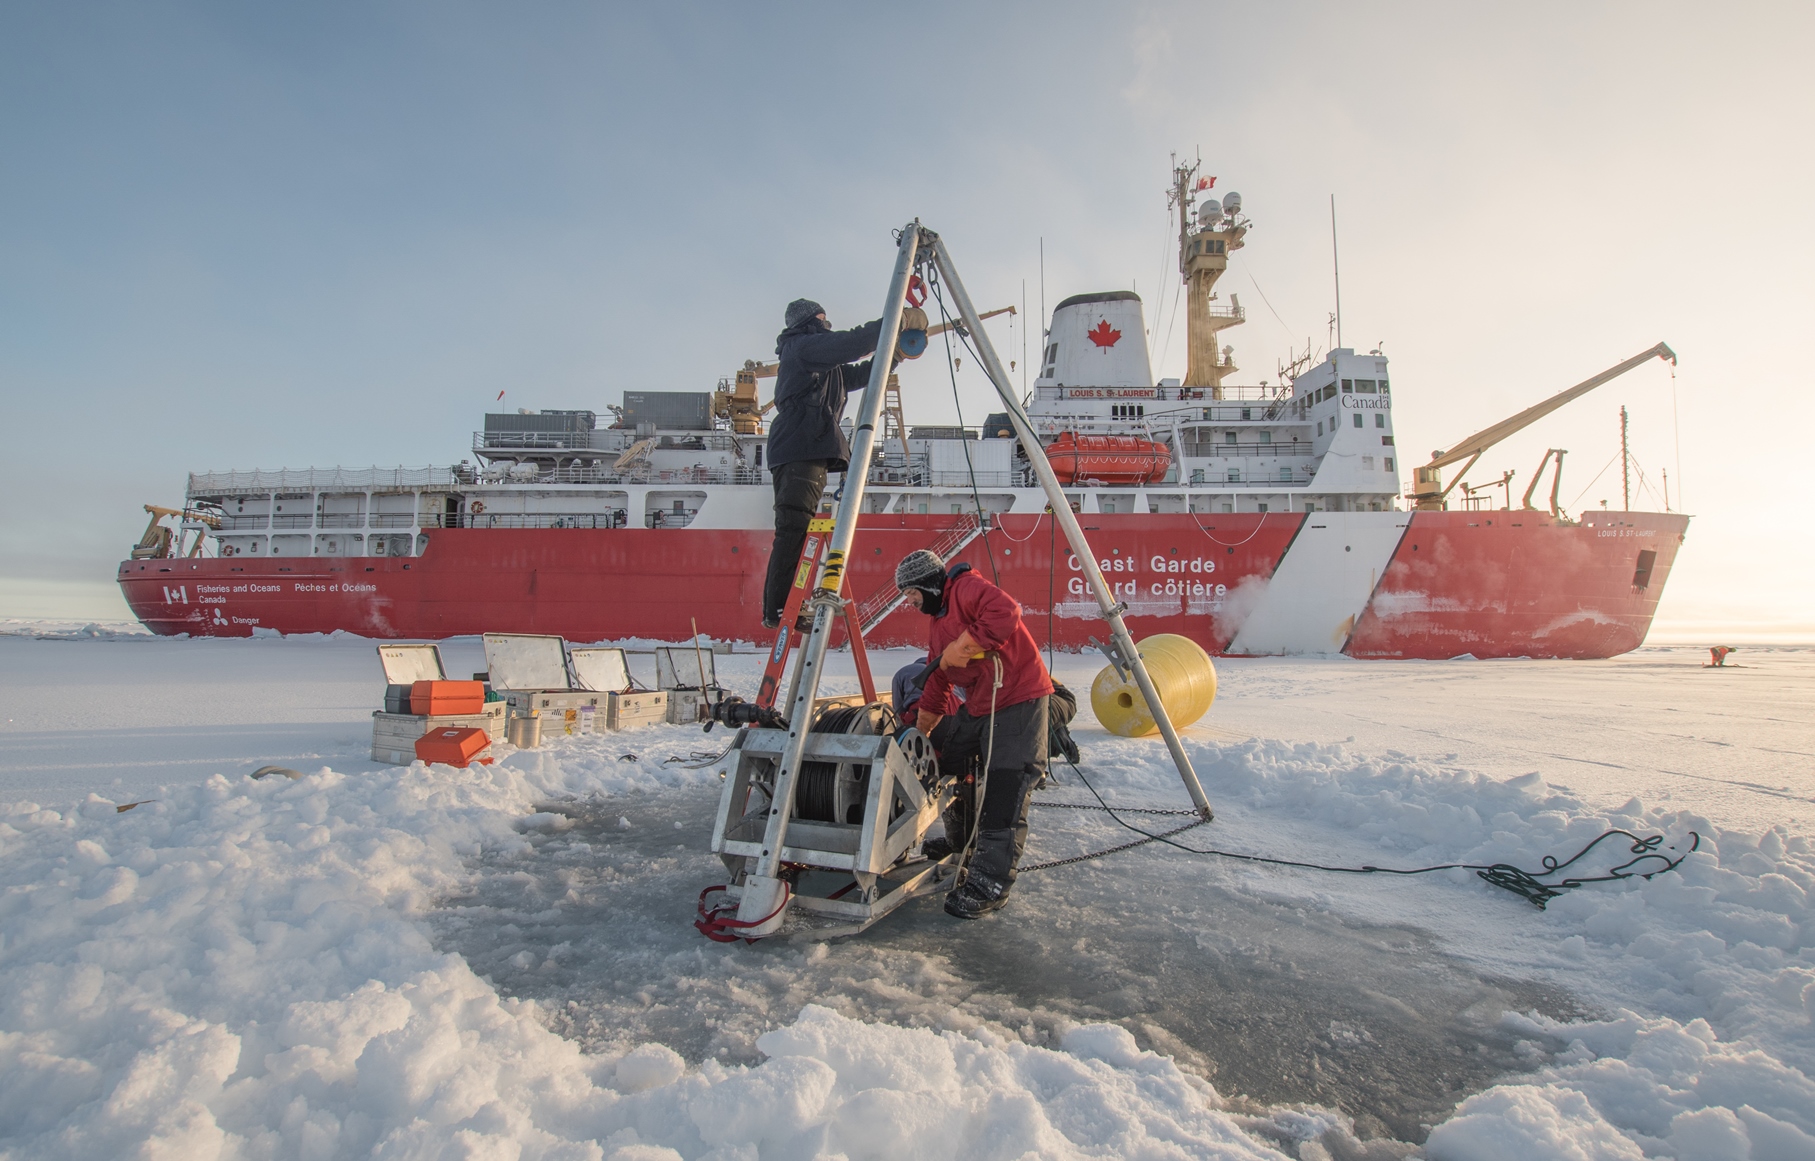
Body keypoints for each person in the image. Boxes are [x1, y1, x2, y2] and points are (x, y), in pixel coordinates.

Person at [894, 548, 1055, 919]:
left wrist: (965, 646)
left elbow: (1006, 613)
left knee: (1005, 791)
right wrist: (920, 732)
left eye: (911, 592)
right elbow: (937, 682)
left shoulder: (966, 588)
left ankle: (989, 884)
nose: (910, 601)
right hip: (981, 705)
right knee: (952, 764)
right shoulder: (938, 623)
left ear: (930, 585)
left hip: (1018, 700)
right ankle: (960, 841)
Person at [762, 299, 895, 629]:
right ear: (810, 322)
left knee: (799, 528)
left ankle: (788, 605)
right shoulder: (802, 347)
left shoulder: (819, 363)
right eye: (823, 320)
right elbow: (850, 344)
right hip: (799, 446)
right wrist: (895, 319)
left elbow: (860, 372)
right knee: (793, 529)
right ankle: (779, 609)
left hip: (808, 447)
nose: (828, 324)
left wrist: (897, 353)